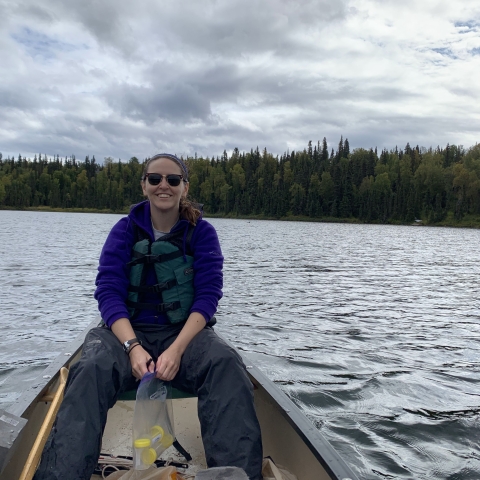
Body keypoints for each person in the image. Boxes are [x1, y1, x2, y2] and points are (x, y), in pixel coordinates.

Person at [34, 153, 263, 480]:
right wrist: (132, 347)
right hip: (122, 334)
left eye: (173, 179)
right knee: (89, 368)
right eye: (155, 179)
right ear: (144, 185)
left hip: (184, 335)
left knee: (225, 364)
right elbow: (109, 292)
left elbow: (207, 298)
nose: (163, 186)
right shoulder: (124, 231)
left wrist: (176, 350)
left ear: (184, 186)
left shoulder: (202, 233)